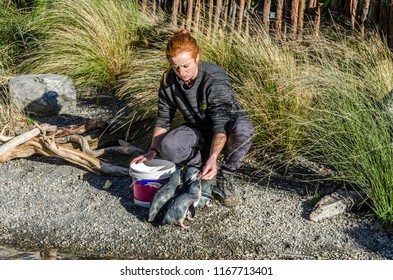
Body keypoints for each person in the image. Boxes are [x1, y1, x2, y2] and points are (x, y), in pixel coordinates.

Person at [131, 29, 255, 207]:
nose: (181, 72)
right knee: (168, 146)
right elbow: (163, 118)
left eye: (186, 65)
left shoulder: (214, 77)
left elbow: (220, 125)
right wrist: (153, 151)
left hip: (227, 127)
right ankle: (202, 165)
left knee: (244, 130)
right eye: (176, 67)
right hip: (199, 128)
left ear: (197, 58)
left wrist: (214, 157)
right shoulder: (168, 81)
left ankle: (225, 174)